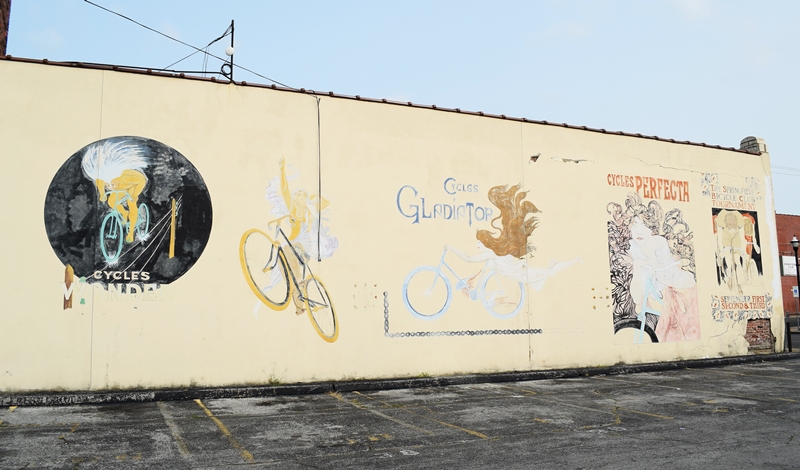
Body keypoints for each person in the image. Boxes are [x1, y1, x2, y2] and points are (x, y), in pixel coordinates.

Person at [81, 139, 148, 244]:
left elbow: (142, 181)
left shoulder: (126, 177)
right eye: (108, 185)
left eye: (112, 184)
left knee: (131, 203)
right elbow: (100, 183)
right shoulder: (105, 177)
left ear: (117, 178)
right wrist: (103, 194)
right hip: (120, 188)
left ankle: (130, 233)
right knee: (111, 202)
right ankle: (124, 214)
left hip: (133, 186)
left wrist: (134, 194)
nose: (110, 187)